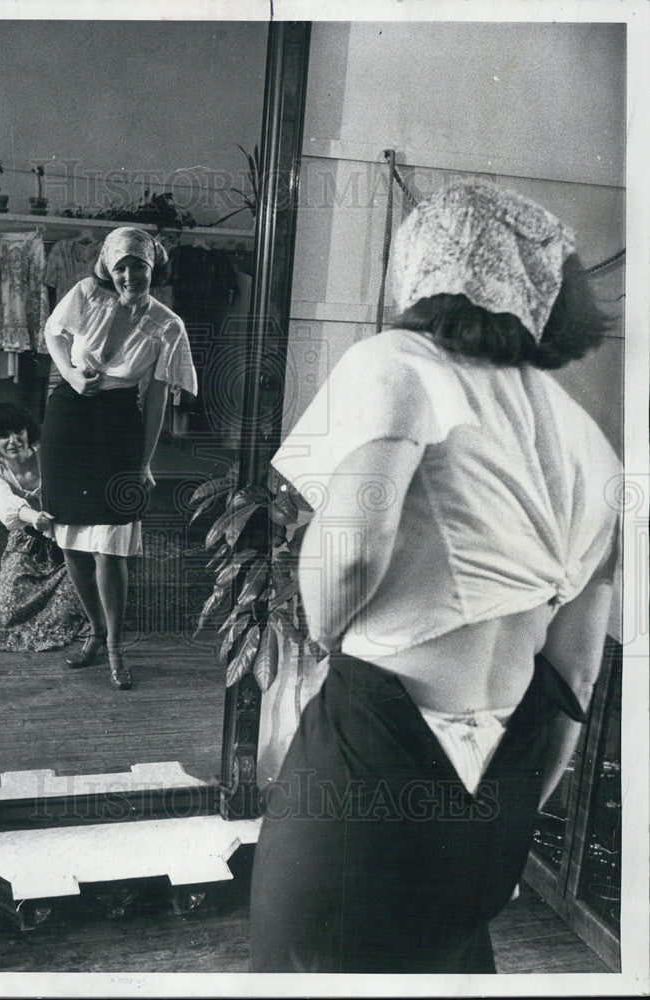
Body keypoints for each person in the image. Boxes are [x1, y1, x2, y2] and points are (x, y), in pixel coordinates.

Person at [249, 180, 622, 973]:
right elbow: (576, 673)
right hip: (499, 785)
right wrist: (507, 801)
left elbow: (349, 553)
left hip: (377, 758)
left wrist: (323, 640)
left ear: (421, 267)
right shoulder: (588, 439)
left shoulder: (395, 362)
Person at [40, 226, 197, 690]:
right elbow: (54, 334)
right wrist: (69, 375)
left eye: (139, 266)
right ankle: (93, 631)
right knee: (70, 539)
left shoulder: (168, 325)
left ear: (154, 268)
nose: (129, 275)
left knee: (111, 544)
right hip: (68, 419)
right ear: (108, 267)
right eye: (121, 266)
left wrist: (144, 462)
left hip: (117, 427)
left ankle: (113, 645)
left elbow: (155, 401)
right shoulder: (87, 293)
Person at [0, 402, 88, 651]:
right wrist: (34, 517)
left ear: (27, 432)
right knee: (4, 607)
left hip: (67, 537)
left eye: (18, 432)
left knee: (72, 601)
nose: (12, 441)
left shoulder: (48, 453)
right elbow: (3, 502)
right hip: (28, 543)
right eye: (3, 435)